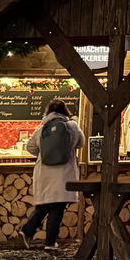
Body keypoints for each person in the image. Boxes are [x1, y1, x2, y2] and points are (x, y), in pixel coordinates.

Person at [19, 100, 83, 250]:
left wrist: (44, 154)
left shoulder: (42, 128)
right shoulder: (72, 126)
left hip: (45, 172)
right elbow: (81, 143)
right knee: (58, 206)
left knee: (45, 204)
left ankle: (28, 230)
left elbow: (30, 147)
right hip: (64, 173)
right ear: (65, 111)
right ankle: (49, 242)